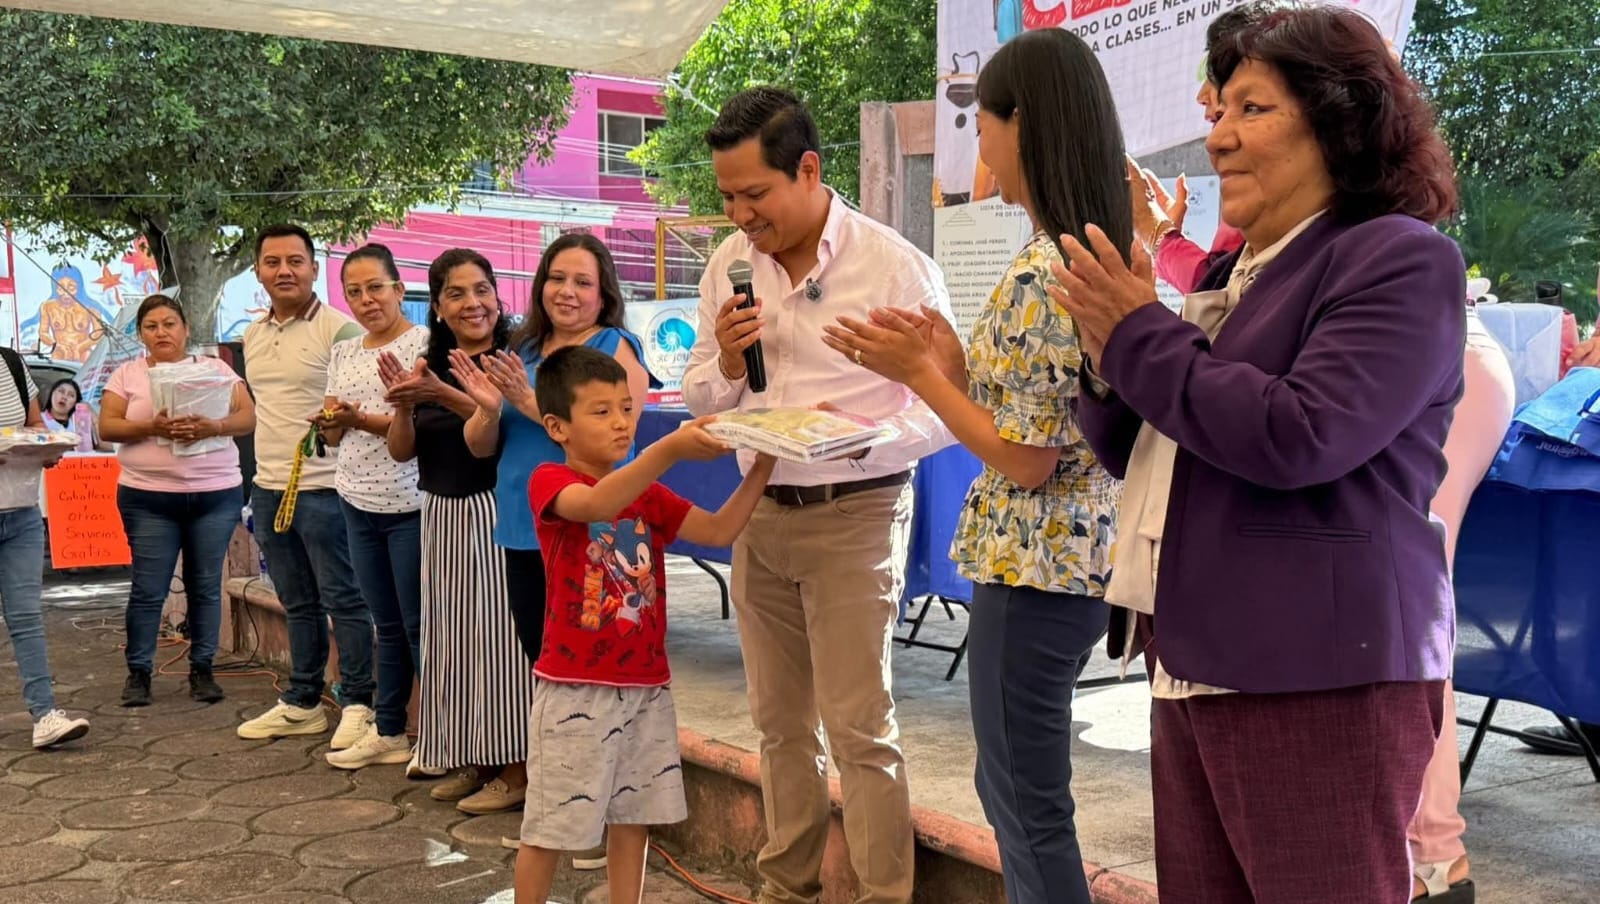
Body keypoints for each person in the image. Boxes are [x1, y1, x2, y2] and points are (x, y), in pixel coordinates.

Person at [1050, 7, 1464, 901]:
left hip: (1319, 670)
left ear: (1338, 121)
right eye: (1217, 113)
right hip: (1198, 655)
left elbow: (1299, 432)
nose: (1220, 137)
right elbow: (1152, 446)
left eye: (1252, 109)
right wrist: (1105, 354)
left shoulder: (1397, 259)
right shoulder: (1237, 272)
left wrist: (1139, 335)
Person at [824, 30, 1122, 904]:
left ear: (1020, 124)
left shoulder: (1044, 269)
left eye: (982, 122)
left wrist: (919, 377)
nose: (978, 143)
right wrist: (951, 365)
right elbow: (1037, 418)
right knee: (1022, 791)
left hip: (1037, 567)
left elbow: (1024, 460)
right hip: (1064, 564)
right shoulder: (1085, 249)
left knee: (1024, 799)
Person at [682, 86, 953, 904]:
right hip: (759, 511)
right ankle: (785, 886)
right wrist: (727, 367)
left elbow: (947, 410)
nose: (740, 214)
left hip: (858, 512)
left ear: (808, 169)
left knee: (860, 727)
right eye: (727, 196)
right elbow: (699, 395)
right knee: (779, 725)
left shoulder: (894, 267)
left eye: (754, 195)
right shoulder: (727, 266)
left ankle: (881, 895)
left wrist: (860, 436)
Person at [513, 345, 775, 904]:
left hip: (647, 688)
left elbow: (719, 530)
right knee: (552, 824)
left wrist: (767, 464)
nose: (621, 423)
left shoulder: (647, 494)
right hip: (576, 687)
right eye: (601, 411)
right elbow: (596, 503)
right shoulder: (550, 480)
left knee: (633, 818)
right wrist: (670, 447)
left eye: (628, 408)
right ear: (557, 426)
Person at [451, 233, 649, 821]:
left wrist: (530, 399)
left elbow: (619, 442)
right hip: (520, 528)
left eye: (582, 281)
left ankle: (606, 811)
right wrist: (488, 405)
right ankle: (564, 804)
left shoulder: (615, 348)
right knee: (548, 668)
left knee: (592, 672)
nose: (567, 291)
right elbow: (485, 446)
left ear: (603, 291)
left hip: (589, 535)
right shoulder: (524, 348)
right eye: (556, 278)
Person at [381, 249, 531, 807]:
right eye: (457, 294)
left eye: (483, 290)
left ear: (498, 296)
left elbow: (495, 429)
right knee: (455, 642)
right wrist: (403, 404)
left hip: (496, 510)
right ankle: (476, 758)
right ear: (438, 308)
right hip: (440, 512)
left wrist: (440, 395)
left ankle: (516, 772)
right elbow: (402, 451)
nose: (474, 304)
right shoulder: (431, 366)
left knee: (501, 645)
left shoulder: (515, 361)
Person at [236, 224, 375, 750]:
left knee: (345, 600)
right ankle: (302, 702)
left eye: (296, 260)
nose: (284, 271)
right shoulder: (253, 334)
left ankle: (359, 703)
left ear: (315, 269)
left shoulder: (339, 331)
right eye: (273, 262)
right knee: (297, 602)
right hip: (268, 489)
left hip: (327, 490)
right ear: (259, 273)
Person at [99, 295, 256, 707]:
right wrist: (153, 426)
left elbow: (247, 417)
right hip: (149, 498)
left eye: (169, 323)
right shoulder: (127, 375)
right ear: (141, 335)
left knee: (205, 587)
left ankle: (203, 669)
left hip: (214, 494)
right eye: (151, 326)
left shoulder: (216, 369)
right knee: (149, 589)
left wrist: (213, 426)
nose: (161, 332)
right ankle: (139, 672)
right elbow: (107, 426)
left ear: (185, 329)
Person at [315, 244, 430, 770]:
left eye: (376, 288)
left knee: (417, 624)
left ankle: (439, 733)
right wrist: (333, 420)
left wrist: (361, 418)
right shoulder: (344, 351)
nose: (366, 301)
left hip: (411, 503)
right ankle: (389, 730)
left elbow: (422, 430)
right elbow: (338, 434)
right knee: (384, 620)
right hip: (356, 500)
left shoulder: (423, 345)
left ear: (399, 289)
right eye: (354, 292)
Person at [0, 344, 90, 748]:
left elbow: (35, 424)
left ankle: (45, 715)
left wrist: (45, 447)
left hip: (19, 511)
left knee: (27, 619)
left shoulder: (12, 363)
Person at [42, 378, 110, 450]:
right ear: (52, 393)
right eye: (61, 391)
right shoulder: (39, 419)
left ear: (75, 403)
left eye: (71, 395)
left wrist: (94, 417)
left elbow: (107, 449)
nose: (64, 397)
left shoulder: (81, 424)